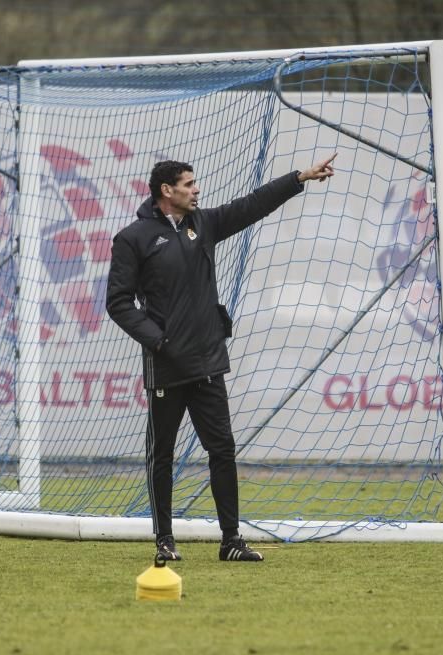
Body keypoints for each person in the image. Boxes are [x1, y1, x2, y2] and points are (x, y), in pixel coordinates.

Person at [106, 154, 337, 562]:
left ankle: (231, 541)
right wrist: (157, 341)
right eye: (189, 184)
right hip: (166, 367)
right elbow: (118, 303)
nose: (196, 190)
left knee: (223, 450)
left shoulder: (204, 224)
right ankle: (164, 540)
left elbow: (252, 205)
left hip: (208, 362)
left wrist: (298, 178)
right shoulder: (133, 239)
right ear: (167, 191)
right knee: (163, 455)